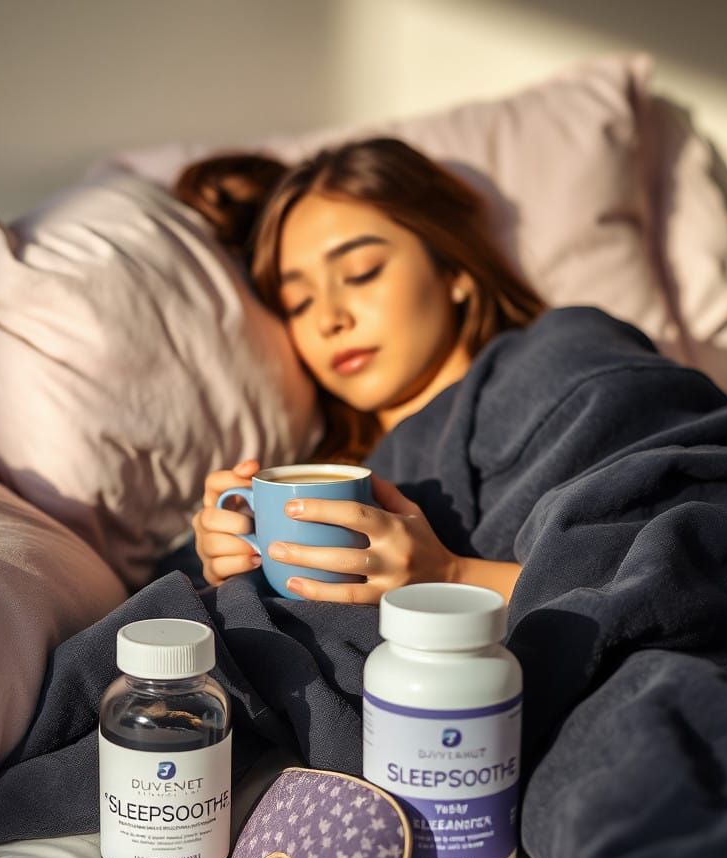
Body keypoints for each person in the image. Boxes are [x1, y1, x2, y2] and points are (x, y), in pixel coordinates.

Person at [177, 138, 546, 606]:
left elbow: (630, 574)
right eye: (298, 302)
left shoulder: (558, 363)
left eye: (361, 272)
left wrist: (451, 574)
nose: (329, 319)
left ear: (455, 268)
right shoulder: (321, 465)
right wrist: (224, 556)